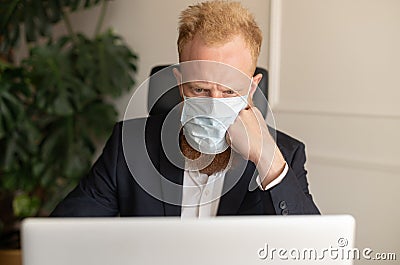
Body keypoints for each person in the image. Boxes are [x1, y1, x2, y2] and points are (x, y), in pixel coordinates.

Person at [51, 1, 319, 217]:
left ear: (251, 87)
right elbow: (62, 237)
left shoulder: (287, 155)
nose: (214, 106)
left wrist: (268, 160)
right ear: (180, 83)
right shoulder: (127, 146)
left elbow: (314, 254)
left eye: (229, 91)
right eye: (200, 90)